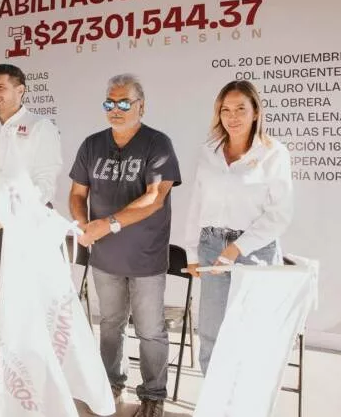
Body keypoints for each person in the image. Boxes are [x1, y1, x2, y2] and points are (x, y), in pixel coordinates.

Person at [69, 73, 181, 417]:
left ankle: (153, 395)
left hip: (146, 259)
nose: (115, 109)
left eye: (123, 103)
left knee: (150, 331)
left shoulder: (157, 143)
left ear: (140, 106)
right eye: (109, 103)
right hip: (105, 259)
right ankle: (110, 385)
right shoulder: (91, 145)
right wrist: (82, 223)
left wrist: (109, 223)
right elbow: (77, 194)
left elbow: (155, 197)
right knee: (110, 326)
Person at [184, 80, 293, 374]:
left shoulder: (274, 153)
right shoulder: (208, 152)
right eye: (226, 110)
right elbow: (197, 204)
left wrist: (236, 249)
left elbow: (279, 215)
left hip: (255, 251)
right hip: (211, 247)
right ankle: (213, 396)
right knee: (211, 333)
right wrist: (192, 253)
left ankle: (247, 398)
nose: (232, 117)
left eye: (240, 109)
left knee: (252, 336)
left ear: (256, 112)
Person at [0, 63, 62, 304]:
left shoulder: (40, 126)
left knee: (32, 300)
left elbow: (45, 185)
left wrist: (10, 214)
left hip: (32, 223)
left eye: (0, 87)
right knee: (2, 296)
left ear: (20, 90)